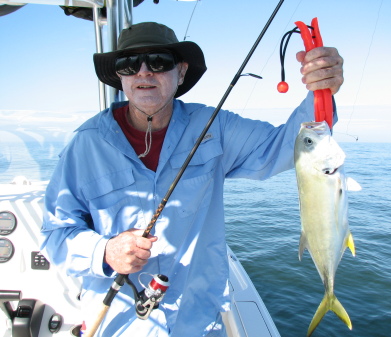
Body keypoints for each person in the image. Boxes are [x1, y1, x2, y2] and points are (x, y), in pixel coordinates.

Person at [40, 22, 343, 336]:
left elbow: (282, 148)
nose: (143, 72)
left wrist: (320, 90)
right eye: (128, 64)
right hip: (118, 323)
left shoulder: (215, 127)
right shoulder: (85, 144)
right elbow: (54, 233)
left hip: (198, 320)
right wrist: (104, 252)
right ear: (120, 76)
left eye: (158, 61)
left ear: (181, 72)